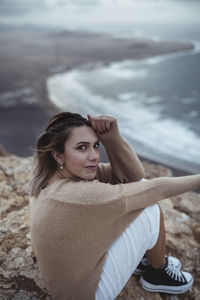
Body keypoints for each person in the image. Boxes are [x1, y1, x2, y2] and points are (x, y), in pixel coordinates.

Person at [30, 112, 200, 300]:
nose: (94, 156)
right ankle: (158, 273)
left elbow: (133, 176)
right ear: (58, 155)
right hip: (86, 293)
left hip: (69, 280)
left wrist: (112, 138)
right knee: (148, 208)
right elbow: (153, 190)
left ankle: (144, 258)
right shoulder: (77, 195)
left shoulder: (50, 178)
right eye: (82, 148)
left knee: (139, 188)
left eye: (96, 146)